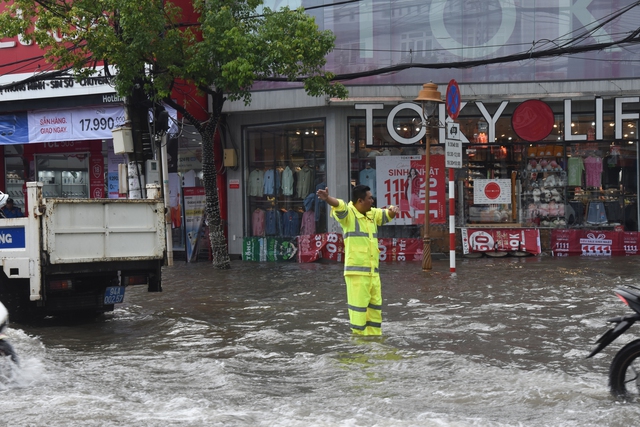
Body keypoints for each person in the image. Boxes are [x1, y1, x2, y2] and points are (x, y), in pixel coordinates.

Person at [316, 184, 399, 336]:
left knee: (375, 312)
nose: (372, 201)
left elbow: (386, 215)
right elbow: (339, 205)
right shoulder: (349, 215)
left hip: (373, 274)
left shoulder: (371, 214)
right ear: (360, 201)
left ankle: (375, 340)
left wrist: (393, 211)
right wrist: (328, 198)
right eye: (369, 198)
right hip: (357, 275)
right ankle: (359, 346)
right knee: (358, 313)